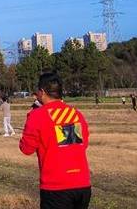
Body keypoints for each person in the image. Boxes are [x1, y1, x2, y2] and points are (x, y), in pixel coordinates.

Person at [19, 72, 91, 209]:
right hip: (82, 184)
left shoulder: (37, 115)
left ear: (42, 92)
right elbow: (83, 144)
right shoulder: (75, 114)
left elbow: (26, 149)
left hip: (56, 187)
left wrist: (30, 119)